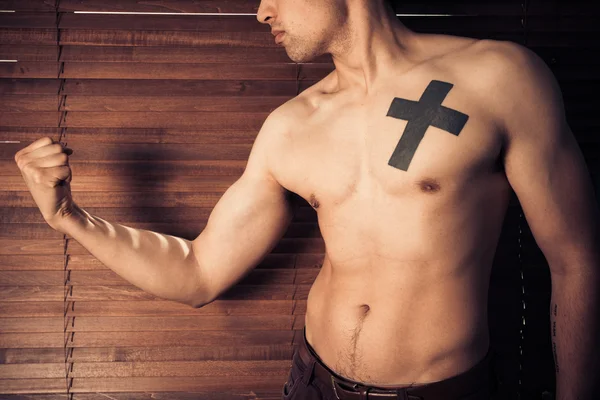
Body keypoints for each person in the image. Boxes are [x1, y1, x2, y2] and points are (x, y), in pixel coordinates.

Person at [14, 0, 600, 399]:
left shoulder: (499, 78)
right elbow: (199, 272)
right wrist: (69, 217)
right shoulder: (290, 127)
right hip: (311, 382)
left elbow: (576, 261)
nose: (261, 9)